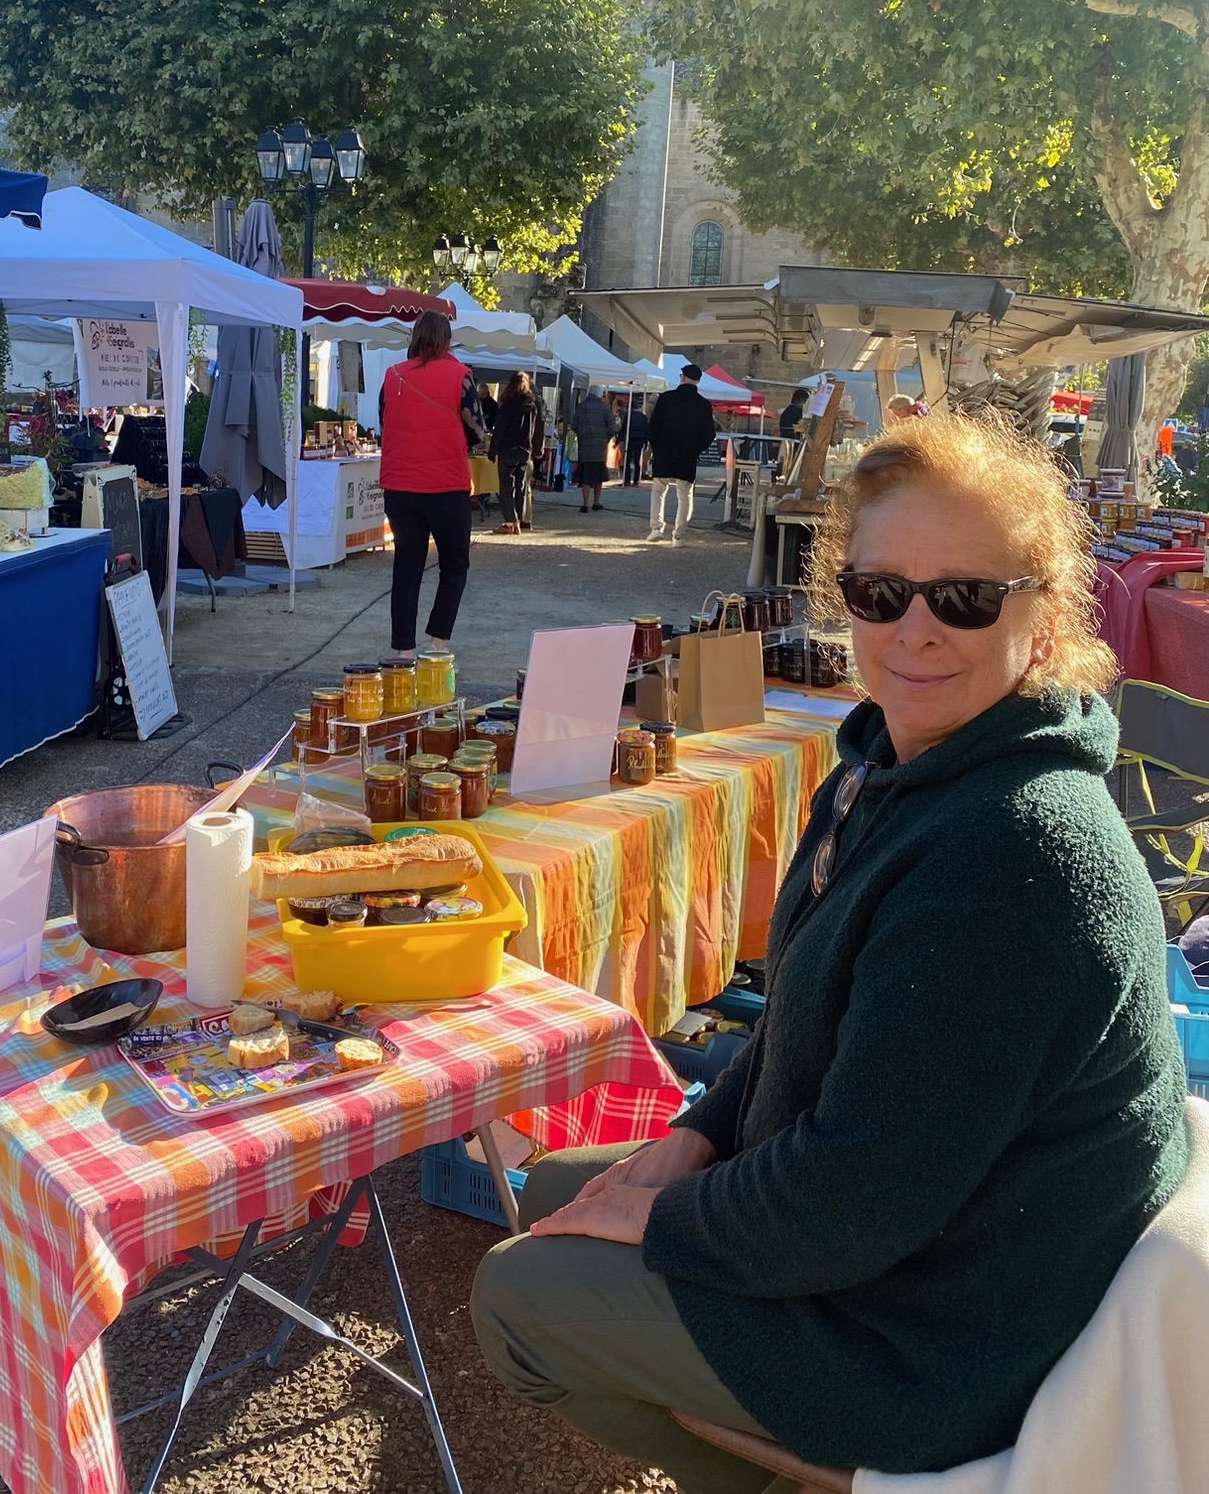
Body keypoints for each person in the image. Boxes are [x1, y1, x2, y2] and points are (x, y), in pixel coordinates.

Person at [472, 414, 1186, 1491]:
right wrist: (694, 1142)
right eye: (880, 591)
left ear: (1041, 621)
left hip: (941, 1331)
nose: (916, 629)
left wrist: (665, 1212)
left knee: (517, 1297)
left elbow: (851, 1204)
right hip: (913, 1239)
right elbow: (800, 1012)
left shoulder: (1012, 849)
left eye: (966, 597)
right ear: (840, 591)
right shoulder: (881, 770)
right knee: (549, 1190)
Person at [378, 312, 488, 659]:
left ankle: (403, 650)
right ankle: (438, 640)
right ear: (447, 340)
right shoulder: (460, 376)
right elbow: (477, 428)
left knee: (407, 567)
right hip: (445, 486)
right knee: (454, 564)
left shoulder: (392, 375)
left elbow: (384, 420)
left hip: (401, 485)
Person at [645, 363, 717, 545]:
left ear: (682, 377)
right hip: (687, 453)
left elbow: (654, 426)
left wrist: (656, 447)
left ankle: (656, 528)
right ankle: (679, 535)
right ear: (698, 381)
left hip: (664, 450)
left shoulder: (666, 398)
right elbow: (709, 433)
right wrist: (695, 450)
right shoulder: (703, 404)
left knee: (658, 489)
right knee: (685, 494)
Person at [489, 371, 544, 535]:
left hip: (508, 449)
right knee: (520, 487)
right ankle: (518, 521)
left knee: (506, 486)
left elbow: (500, 428)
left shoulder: (509, 403)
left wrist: (493, 450)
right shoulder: (533, 405)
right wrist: (536, 449)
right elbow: (536, 429)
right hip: (525, 450)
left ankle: (509, 522)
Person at [570, 388, 618, 512]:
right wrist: (605, 438)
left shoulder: (581, 407)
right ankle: (596, 502)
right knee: (598, 475)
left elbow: (574, 424)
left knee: (586, 475)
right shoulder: (605, 408)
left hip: (585, 446)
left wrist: (582, 434)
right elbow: (613, 428)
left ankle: (585, 504)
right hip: (600, 448)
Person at [622, 397, 649, 485]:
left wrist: (618, 440)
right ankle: (636, 480)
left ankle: (627, 480)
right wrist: (646, 442)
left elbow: (624, 428)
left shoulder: (629, 416)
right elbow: (646, 430)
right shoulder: (643, 417)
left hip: (630, 439)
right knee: (637, 461)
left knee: (628, 460)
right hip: (640, 440)